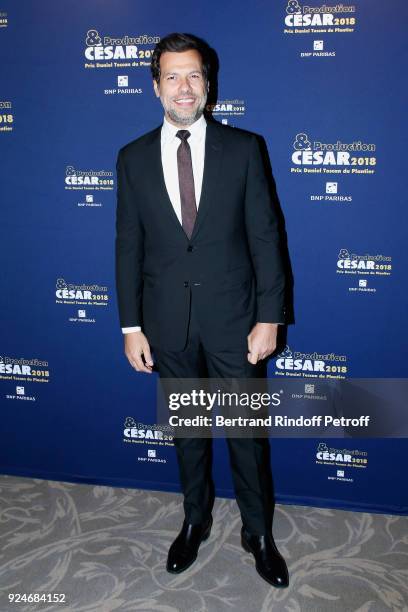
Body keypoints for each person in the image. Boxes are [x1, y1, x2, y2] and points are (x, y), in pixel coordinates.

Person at [115, 32, 289, 588]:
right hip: (167, 324)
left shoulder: (245, 149)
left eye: (194, 75)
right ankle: (195, 520)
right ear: (155, 87)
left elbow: (267, 238)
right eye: (172, 76)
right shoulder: (133, 158)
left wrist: (270, 316)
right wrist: (130, 324)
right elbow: (128, 245)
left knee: (245, 432)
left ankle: (258, 532)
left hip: (236, 321)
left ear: (207, 85)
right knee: (187, 431)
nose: (183, 87)